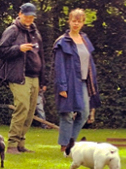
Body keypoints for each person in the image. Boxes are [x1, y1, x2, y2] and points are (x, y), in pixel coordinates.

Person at [0, 2, 47, 155]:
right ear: (20, 14)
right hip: (18, 75)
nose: (29, 19)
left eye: (31, 16)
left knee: (30, 112)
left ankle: (20, 143)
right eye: (26, 15)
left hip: (34, 76)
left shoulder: (36, 33)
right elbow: (1, 51)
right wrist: (18, 49)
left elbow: (41, 57)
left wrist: (43, 81)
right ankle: (11, 144)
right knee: (22, 107)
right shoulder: (12, 30)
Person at [53, 8, 101, 152]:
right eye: (74, 20)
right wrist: (62, 87)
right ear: (69, 21)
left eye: (79, 21)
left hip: (84, 82)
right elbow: (59, 66)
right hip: (68, 82)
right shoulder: (62, 42)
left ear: (83, 23)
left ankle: (70, 142)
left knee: (84, 113)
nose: (76, 24)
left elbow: (90, 62)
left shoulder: (85, 40)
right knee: (67, 114)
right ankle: (64, 146)